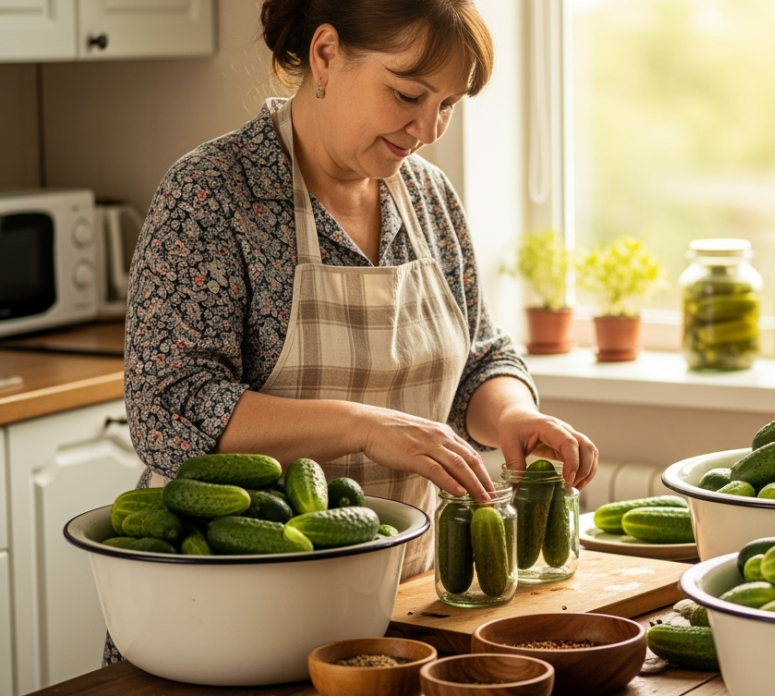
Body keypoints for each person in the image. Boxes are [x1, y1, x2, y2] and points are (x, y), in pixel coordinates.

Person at [109, 0, 597, 664]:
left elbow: (478, 352)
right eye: (407, 93)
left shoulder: (426, 195)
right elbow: (172, 411)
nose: (428, 128)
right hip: (231, 619)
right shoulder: (211, 194)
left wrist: (513, 413)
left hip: (399, 609)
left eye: (448, 104)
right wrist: (366, 427)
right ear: (326, 55)